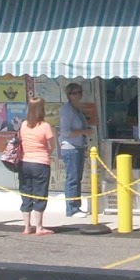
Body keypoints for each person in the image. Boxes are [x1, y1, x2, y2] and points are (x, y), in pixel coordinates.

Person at [17, 96, 55, 235]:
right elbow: (51, 146)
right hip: (40, 163)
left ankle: (27, 226)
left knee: (26, 192)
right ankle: (39, 227)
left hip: (24, 162)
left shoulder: (23, 125)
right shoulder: (45, 126)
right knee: (40, 193)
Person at [59, 82, 92, 217]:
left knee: (77, 177)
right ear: (69, 95)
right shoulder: (67, 110)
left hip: (78, 146)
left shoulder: (76, 109)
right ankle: (71, 208)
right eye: (75, 93)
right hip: (70, 147)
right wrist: (84, 131)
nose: (78, 95)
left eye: (80, 92)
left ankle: (76, 206)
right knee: (72, 178)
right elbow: (65, 132)